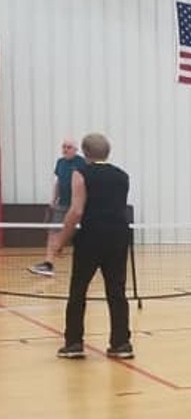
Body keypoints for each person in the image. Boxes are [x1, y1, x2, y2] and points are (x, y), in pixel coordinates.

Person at [51, 133, 133, 359]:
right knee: (117, 291)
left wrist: (61, 239)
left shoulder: (81, 173)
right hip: (118, 237)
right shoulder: (122, 176)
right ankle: (121, 344)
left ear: (85, 153)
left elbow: (76, 210)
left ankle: (74, 343)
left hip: (91, 237)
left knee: (78, 290)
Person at [28, 138, 87, 277]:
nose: (65, 149)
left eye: (69, 147)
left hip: (78, 206)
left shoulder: (82, 163)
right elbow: (58, 182)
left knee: (81, 235)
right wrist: (53, 199)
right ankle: (48, 264)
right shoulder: (60, 163)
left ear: (75, 150)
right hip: (62, 205)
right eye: (63, 147)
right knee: (53, 232)